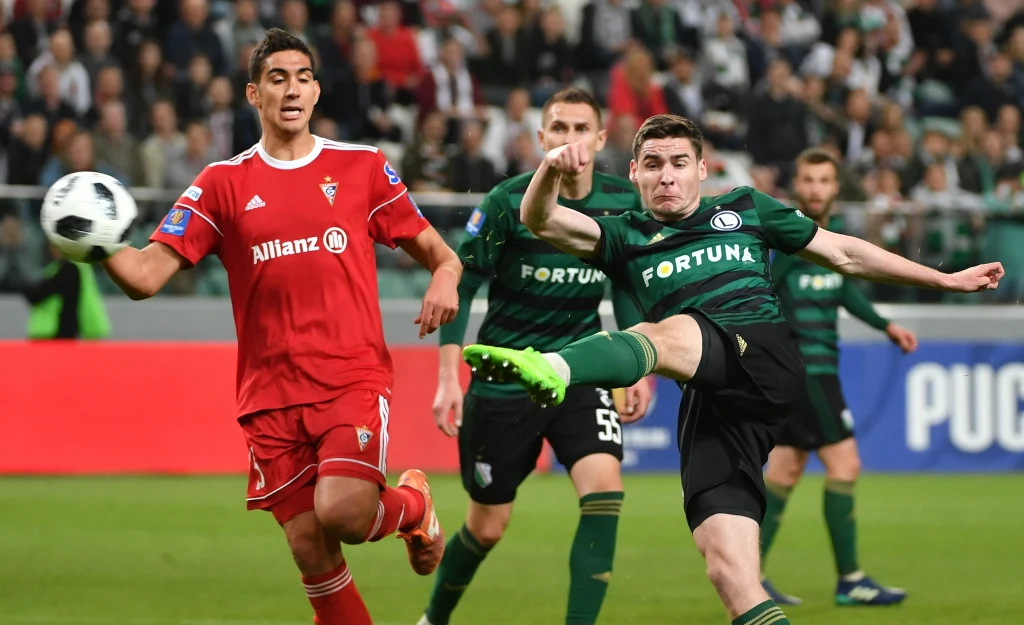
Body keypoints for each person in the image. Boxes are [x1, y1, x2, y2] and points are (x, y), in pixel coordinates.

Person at [460, 114, 1003, 625]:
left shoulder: (746, 207)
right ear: (634, 173)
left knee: (655, 335)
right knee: (729, 569)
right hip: (712, 397)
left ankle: (553, 366)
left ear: (701, 169)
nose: (665, 176)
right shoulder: (624, 235)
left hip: (762, 353)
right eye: (652, 164)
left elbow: (845, 254)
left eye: (677, 163)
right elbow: (541, 220)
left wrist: (945, 279)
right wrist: (550, 169)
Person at [98, 29, 462, 625]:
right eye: (276, 78)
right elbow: (143, 276)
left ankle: (414, 505)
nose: (291, 89)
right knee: (309, 546)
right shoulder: (221, 184)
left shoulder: (361, 166)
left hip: (349, 378)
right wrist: (97, 241)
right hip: (268, 396)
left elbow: (440, 254)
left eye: (301, 78)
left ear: (317, 91)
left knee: (342, 512)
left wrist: (445, 276)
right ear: (253, 94)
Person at [420, 87, 652, 625]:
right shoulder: (507, 202)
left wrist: (641, 358)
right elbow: (463, 283)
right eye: (559, 129)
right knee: (487, 526)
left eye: (580, 129)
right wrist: (448, 378)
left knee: (605, 489)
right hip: (504, 380)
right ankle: (433, 618)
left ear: (599, 138)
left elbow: (626, 285)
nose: (570, 140)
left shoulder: (621, 203)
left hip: (578, 371)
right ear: (541, 138)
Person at [759, 148, 916, 606]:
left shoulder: (833, 243)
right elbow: (765, 283)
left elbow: (846, 292)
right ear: (796, 187)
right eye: (808, 180)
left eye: (824, 180)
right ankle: (851, 579)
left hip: (806, 373)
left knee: (786, 470)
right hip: (808, 370)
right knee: (845, 465)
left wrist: (886, 326)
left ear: (834, 188)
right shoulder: (791, 240)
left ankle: (748, 573)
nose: (815, 188)